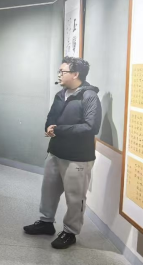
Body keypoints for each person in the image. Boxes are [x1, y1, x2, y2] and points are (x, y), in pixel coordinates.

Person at [23, 57, 102, 250]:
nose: (59, 74)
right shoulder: (61, 94)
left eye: (62, 71)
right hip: (55, 152)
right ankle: (46, 222)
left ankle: (70, 232)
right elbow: (51, 117)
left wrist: (59, 130)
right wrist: (49, 127)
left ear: (75, 74)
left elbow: (91, 127)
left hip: (77, 157)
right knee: (48, 191)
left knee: (75, 197)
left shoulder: (89, 96)